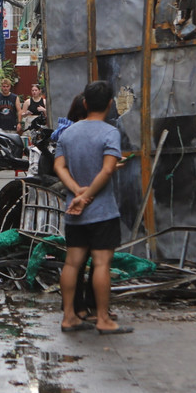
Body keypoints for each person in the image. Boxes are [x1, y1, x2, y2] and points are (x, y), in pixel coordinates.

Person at [54, 81, 130, 335]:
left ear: (85, 103)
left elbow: (59, 167)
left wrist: (77, 192)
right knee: (101, 264)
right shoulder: (110, 133)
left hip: (73, 212)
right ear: (110, 104)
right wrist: (87, 196)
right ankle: (103, 319)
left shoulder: (68, 133)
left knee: (72, 263)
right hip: (102, 211)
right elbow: (108, 169)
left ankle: (69, 317)